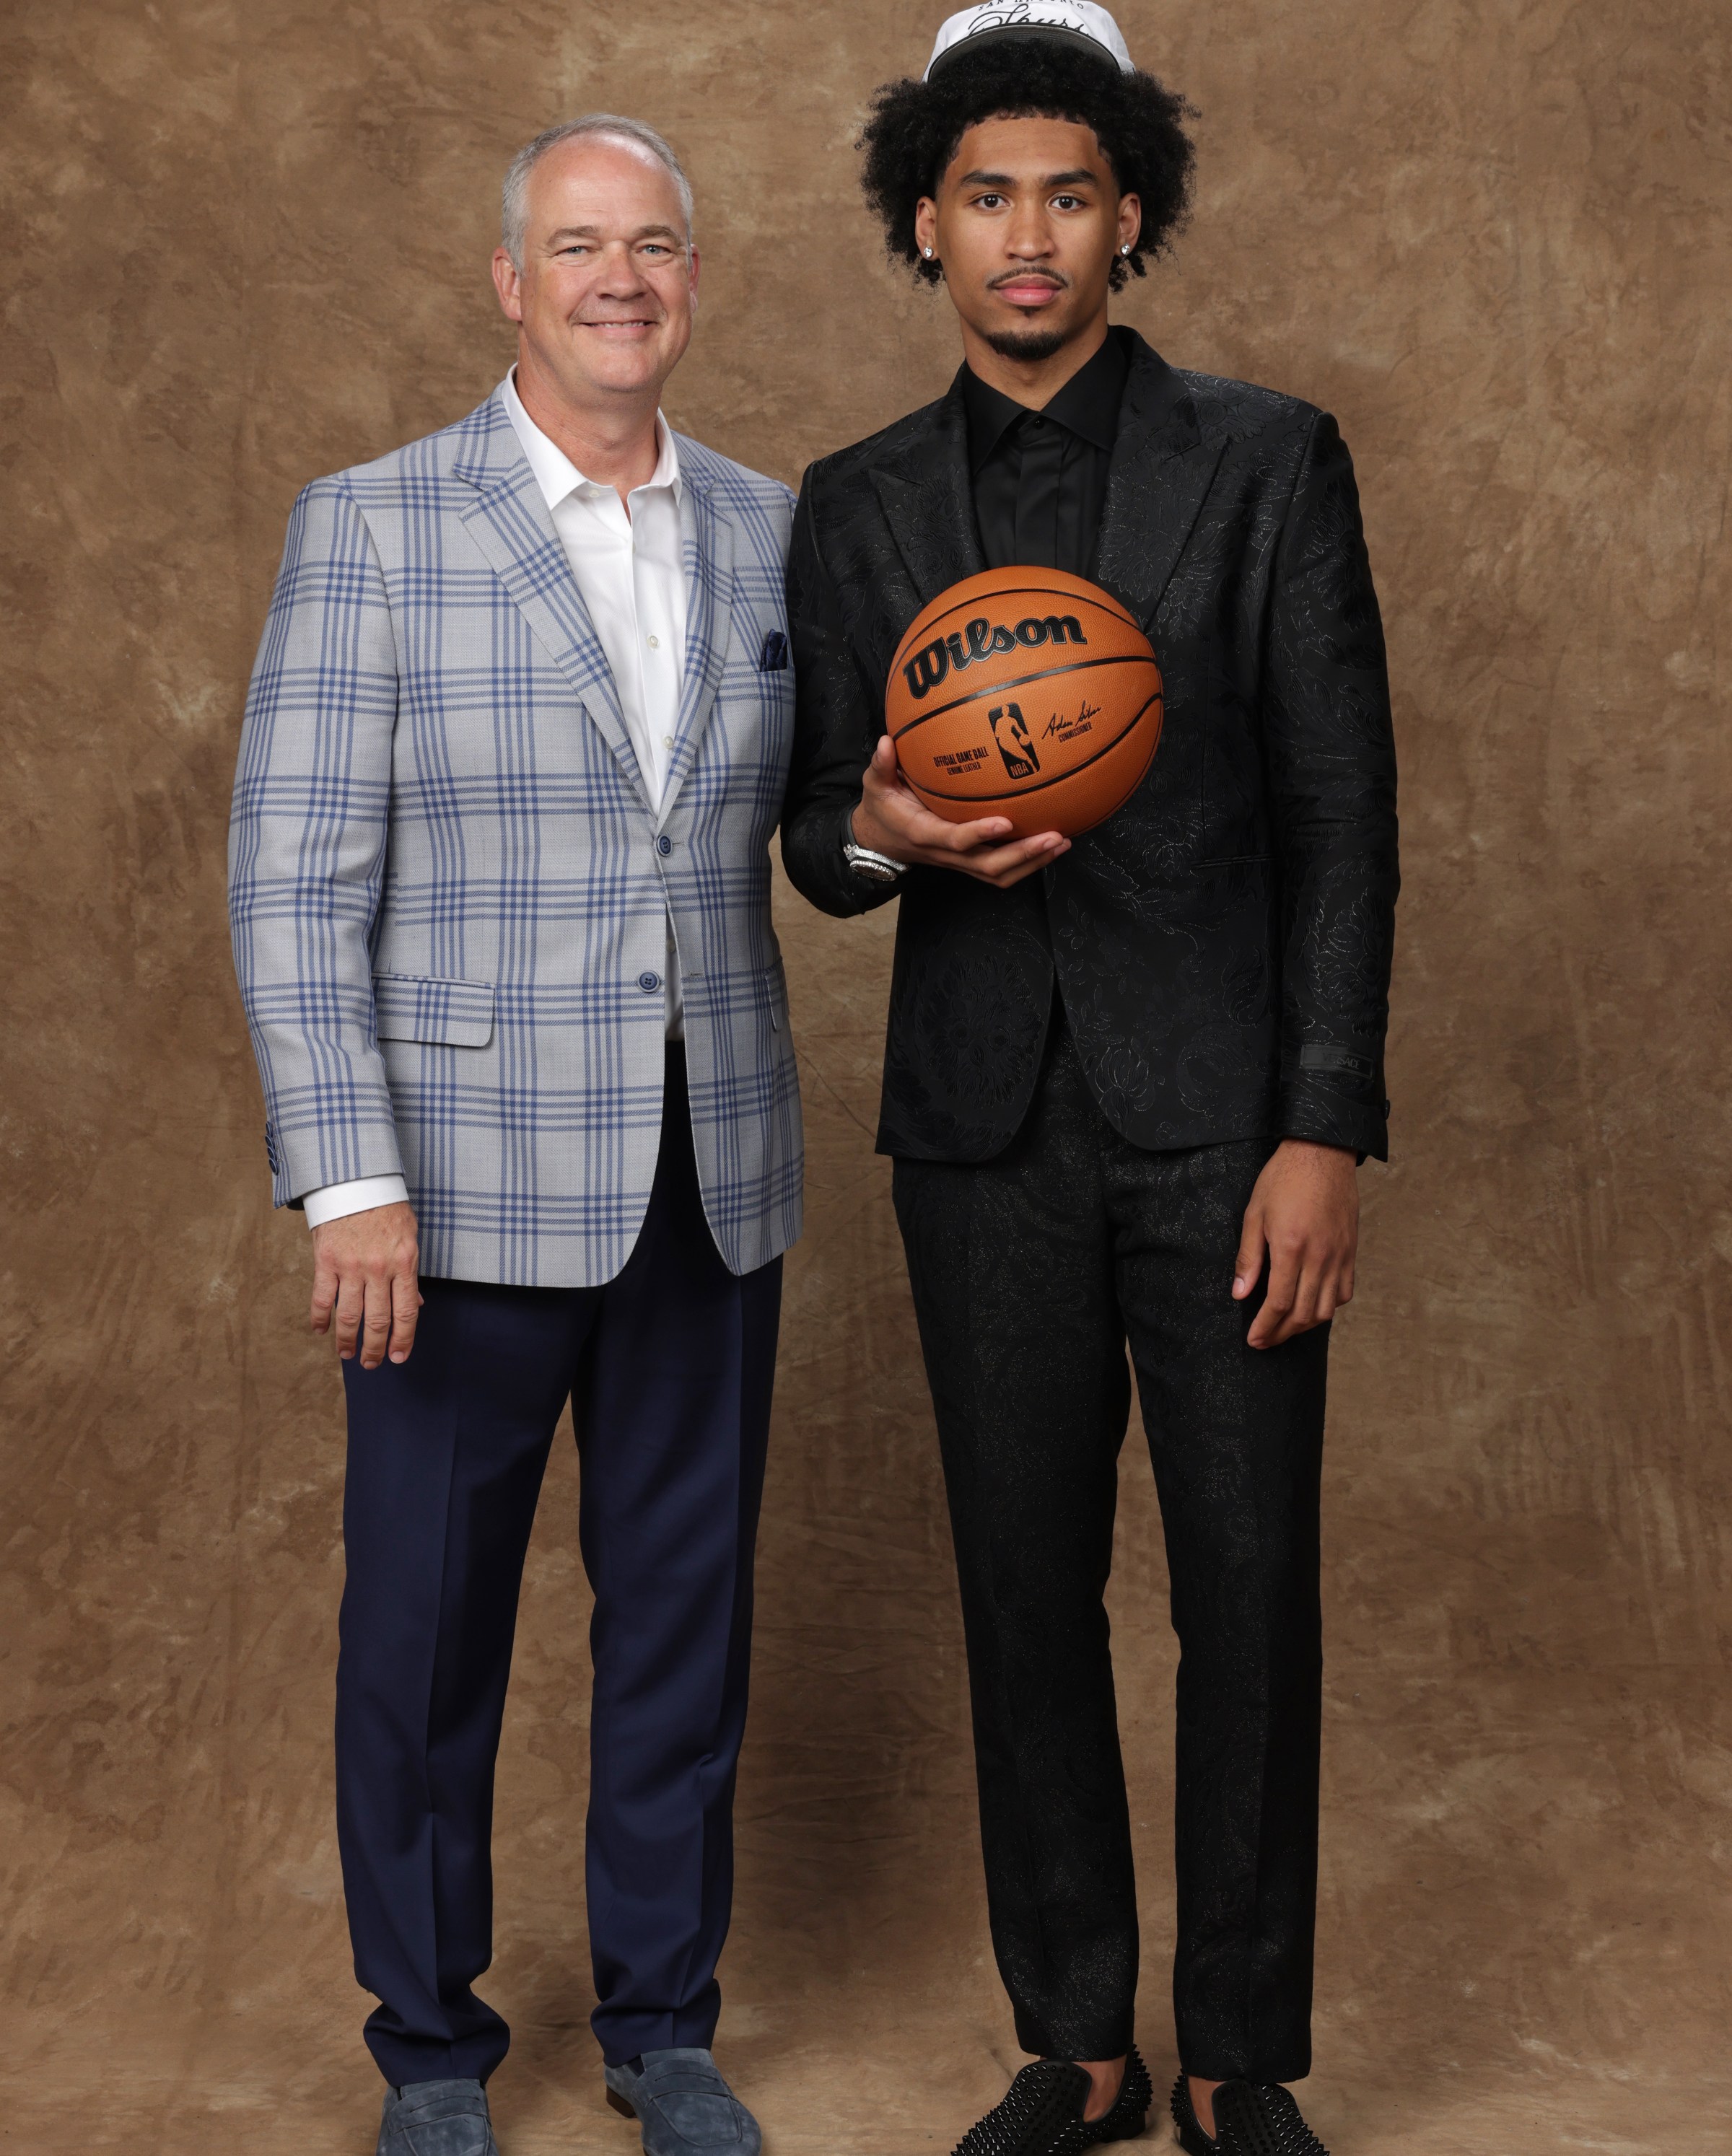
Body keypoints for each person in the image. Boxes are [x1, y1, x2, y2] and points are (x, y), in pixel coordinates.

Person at [781, 7, 1399, 2154]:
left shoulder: (1267, 459)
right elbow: (809, 836)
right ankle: (1079, 2033)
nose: (1026, 236)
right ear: (922, 225)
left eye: (1067, 193)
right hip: (977, 1133)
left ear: (1128, 216)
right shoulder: (851, 506)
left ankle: (1239, 2052)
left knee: (1247, 1579)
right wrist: (887, 832)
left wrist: (1322, 1124)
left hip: (1228, 1130)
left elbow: (1344, 816)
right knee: (1022, 1581)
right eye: (984, 197)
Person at [229, 112, 800, 2156]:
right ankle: (432, 2048)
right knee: (426, 1636)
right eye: (579, 246)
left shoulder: (770, 527)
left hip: (705, 1172)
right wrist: (352, 1177)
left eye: (654, 243)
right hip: (453, 1194)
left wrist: (902, 840)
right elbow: (295, 880)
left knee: (682, 1624)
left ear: (693, 279)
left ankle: (663, 2021)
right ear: (510, 283)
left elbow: (806, 826)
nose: (619, 278)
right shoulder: (375, 524)